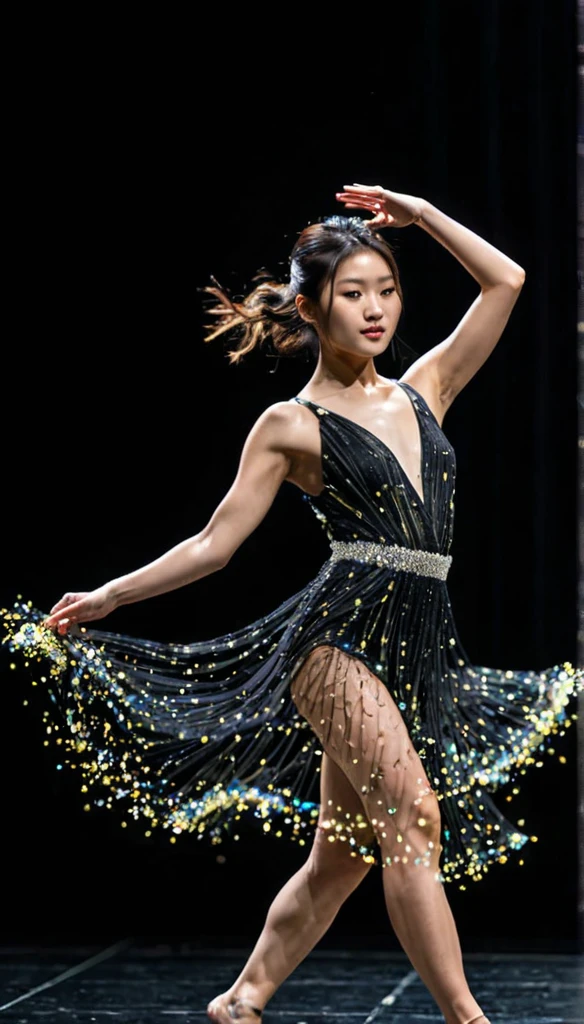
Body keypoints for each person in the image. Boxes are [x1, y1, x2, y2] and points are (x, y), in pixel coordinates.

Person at [3, 183, 581, 1024]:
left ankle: (242, 1000)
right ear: (311, 308)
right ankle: (469, 1018)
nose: (375, 309)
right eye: (353, 294)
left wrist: (418, 215)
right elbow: (214, 544)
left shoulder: (425, 390)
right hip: (334, 643)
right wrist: (109, 595)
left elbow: (508, 281)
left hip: (417, 639)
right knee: (414, 817)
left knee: (341, 858)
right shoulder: (291, 423)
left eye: (386, 290)